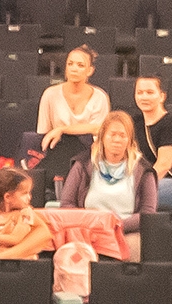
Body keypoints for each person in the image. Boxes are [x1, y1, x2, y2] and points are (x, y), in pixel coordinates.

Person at [31, 46, 112, 188]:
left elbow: (99, 129)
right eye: (70, 64)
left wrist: (62, 129)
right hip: (57, 150)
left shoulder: (100, 97)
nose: (74, 68)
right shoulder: (50, 94)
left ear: (90, 70)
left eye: (80, 65)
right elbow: (44, 133)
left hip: (89, 152)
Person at [55, 111, 157, 224]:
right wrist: (92, 224)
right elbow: (66, 204)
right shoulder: (82, 165)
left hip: (127, 230)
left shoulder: (143, 170)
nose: (117, 139)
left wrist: (116, 225)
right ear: (102, 137)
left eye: (122, 135)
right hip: (88, 228)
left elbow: (148, 213)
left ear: (130, 140)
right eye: (112, 134)